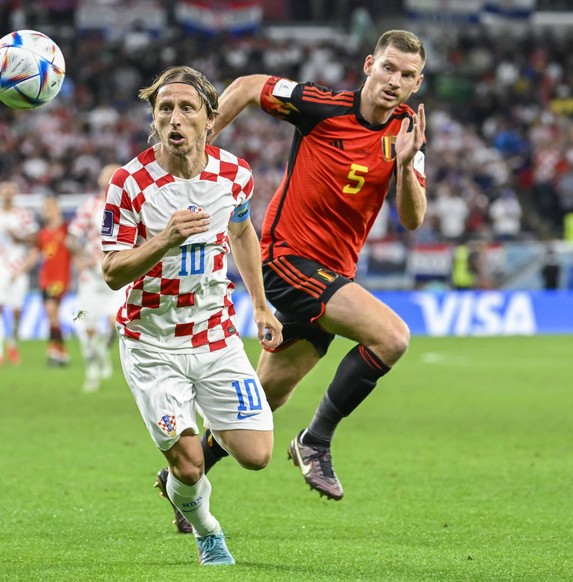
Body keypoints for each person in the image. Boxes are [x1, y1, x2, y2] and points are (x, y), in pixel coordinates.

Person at [156, 30, 428, 534]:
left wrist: (407, 166)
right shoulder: (321, 105)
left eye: (407, 75)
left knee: (262, 400)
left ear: (417, 83)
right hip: (287, 260)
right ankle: (315, 440)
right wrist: (202, 142)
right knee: (392, 337)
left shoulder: (409, 128)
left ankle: (183, 483)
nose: (395, 81)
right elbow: (248, 85)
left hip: (331, 276)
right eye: (388, 68)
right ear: (369, 65)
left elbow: (413, 218)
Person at [101, 66, 283, 565]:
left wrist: (261, 305)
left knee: (257, 455)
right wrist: (164, 238)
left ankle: (196, 452)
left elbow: (243, 232)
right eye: (165, 109)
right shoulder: (130, 183)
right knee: (188, 466)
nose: (175, 119)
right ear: (154, 119)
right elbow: (113, 272)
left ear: (210, 117)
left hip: (216, 338)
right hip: (153, 345)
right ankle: (208, 530)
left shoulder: (234, 175)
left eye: (187, 109)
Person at [67, 163, 126, 391]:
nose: (110, 178)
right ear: (100, 180)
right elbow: (72, 237)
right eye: (106, 175)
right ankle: (93, 367)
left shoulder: (130, 206)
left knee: (116, 320)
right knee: (87, 327)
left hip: (120, 274)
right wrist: (82, 258)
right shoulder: (90, 207)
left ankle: (103, 349)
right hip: (92, 276)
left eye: (115, 174)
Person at [0, 180, 37, 366]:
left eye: (9, 191)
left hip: (17, 266)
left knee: (16, 311)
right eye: (3, 191)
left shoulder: (23, 215)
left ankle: (12, 343)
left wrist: (18, 237)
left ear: (14, 194)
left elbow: (33, 239)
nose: (6, 194)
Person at [30, 194, 73, 366]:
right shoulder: (43, 234)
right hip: (45, 280)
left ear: (57, 209)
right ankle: (58, 351)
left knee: (50, 311)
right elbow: (35, 254)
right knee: (52, 317)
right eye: (44, 208)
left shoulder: (67, 230)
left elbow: (75, 251)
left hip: (60, 280)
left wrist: (83, 265)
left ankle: (57, 351)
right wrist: (20, 270)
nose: (45, 211)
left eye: (49, 207)